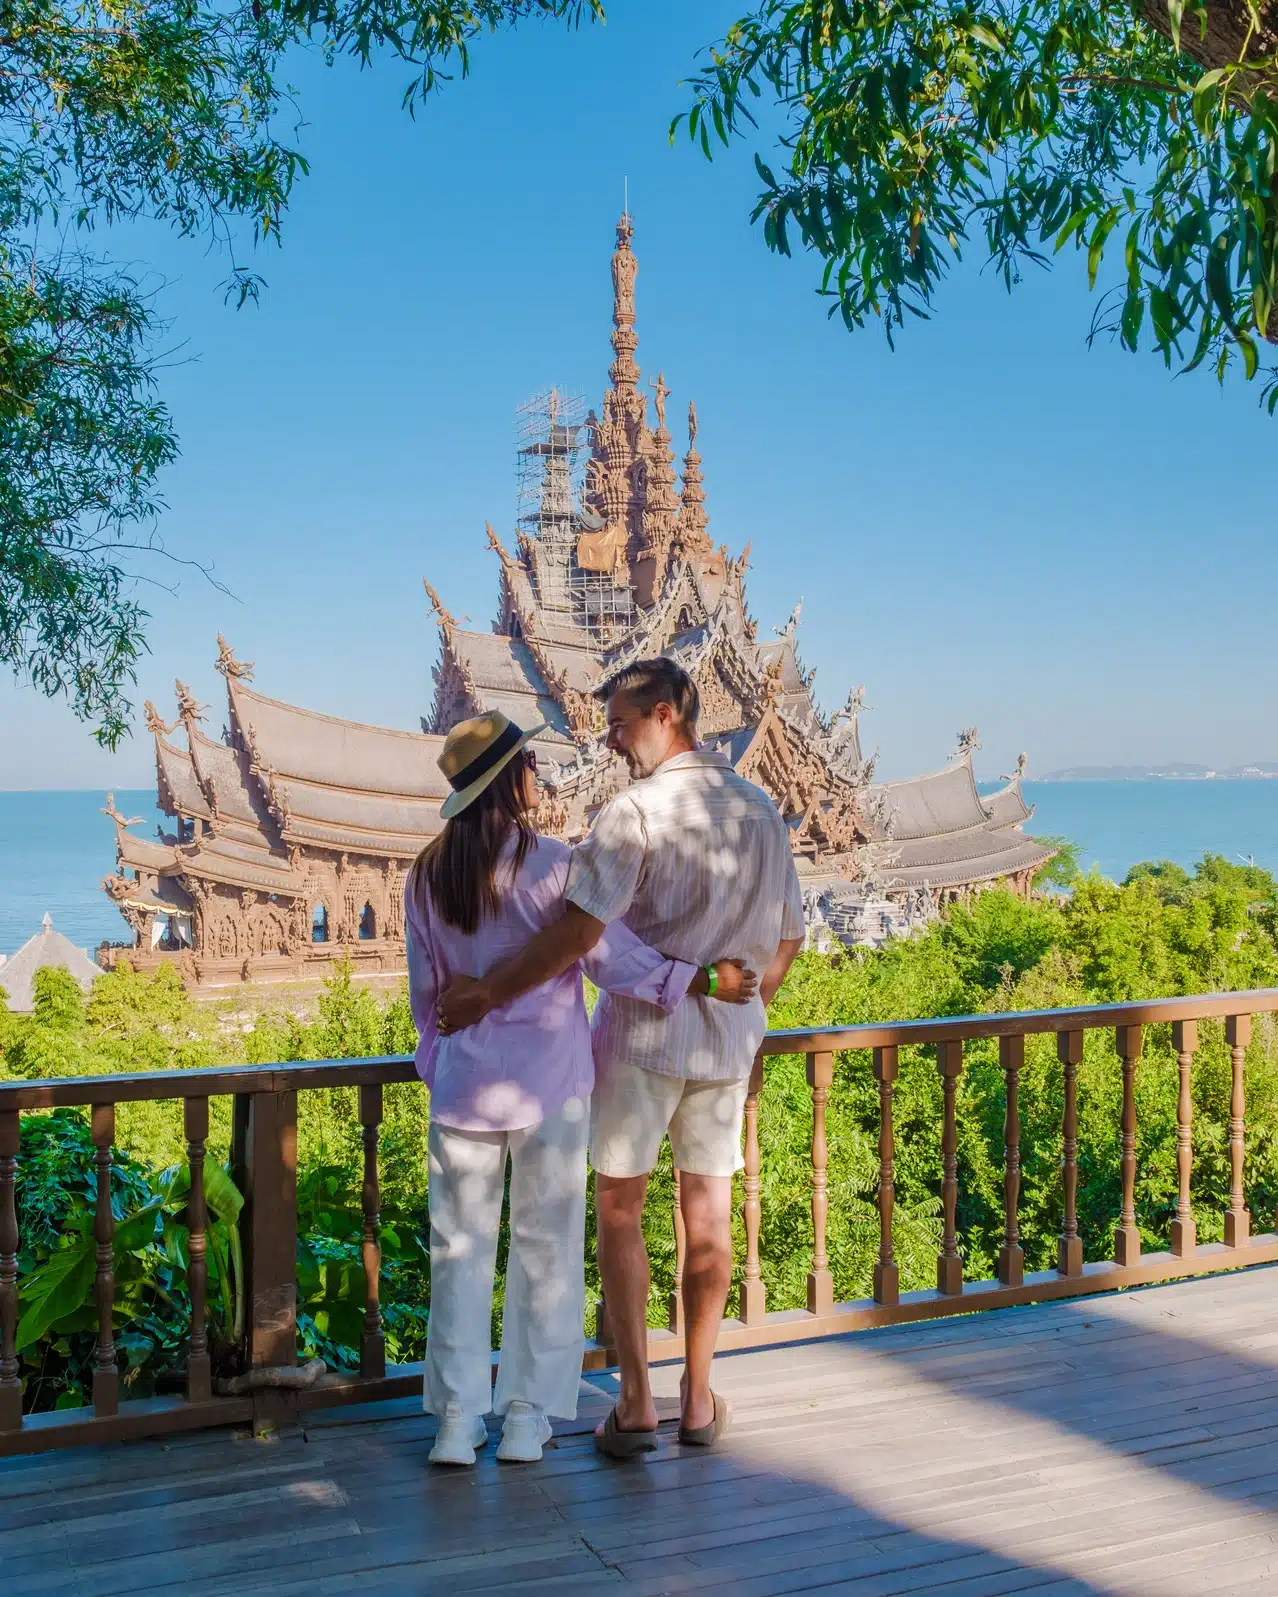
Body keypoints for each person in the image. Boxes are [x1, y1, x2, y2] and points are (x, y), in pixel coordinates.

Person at [437, 658, 805, 1458]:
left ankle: (638, 1401)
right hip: (723, 1045)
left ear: (667, 713)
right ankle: (697, 1397)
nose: (608, 740)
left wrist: (481, 995)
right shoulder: (762, 810)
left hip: (638, 1039)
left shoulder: (632, 813)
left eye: (620, 722)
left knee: (620, 1212)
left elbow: (577, 936)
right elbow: (789, 937)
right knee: (708, 1218)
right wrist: (748, 1009)